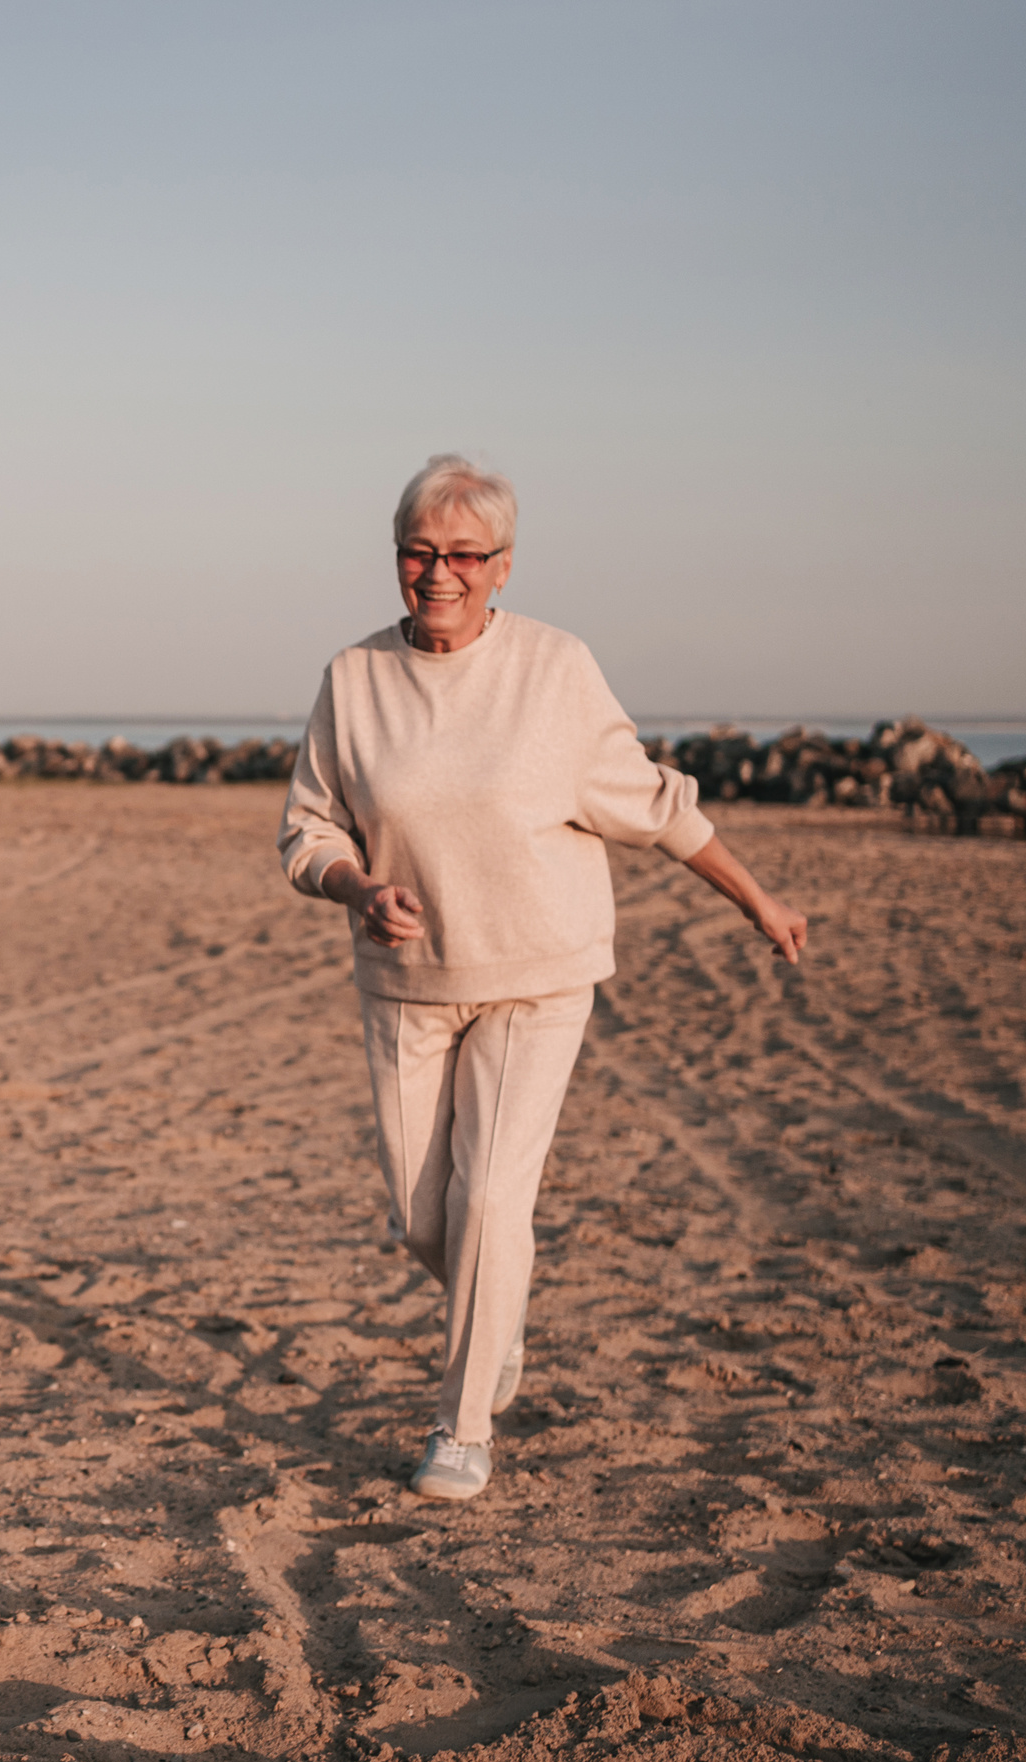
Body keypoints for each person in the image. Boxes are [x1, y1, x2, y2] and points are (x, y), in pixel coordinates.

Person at [279, 454, 805, 1504]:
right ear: (396, 558)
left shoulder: (555, 670)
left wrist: (755, 897)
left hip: (537, 973)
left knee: (487, 1198)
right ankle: (499, 1312)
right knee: (422, 1219)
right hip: (407, 982)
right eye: (419, 552)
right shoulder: (353, 679)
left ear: (503, 566)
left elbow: (652, 803)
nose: (440, 572)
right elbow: (308, 829)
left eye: (464, 555)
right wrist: (356, 887)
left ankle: (462, 1428)